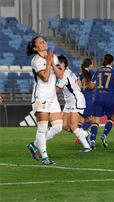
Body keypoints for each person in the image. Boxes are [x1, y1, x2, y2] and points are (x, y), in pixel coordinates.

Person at [25, 36, 64, 165]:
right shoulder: (36, 60)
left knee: (58, 127)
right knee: (42, 128)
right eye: (40, 42)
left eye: (44, 41)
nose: (44, 43)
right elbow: (45, 77)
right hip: (40, 96)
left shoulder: (53, 56)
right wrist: (48, 62)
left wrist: (52, 61)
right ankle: (45, 157)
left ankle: (34, 145)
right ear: (36, 48)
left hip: (52, 97)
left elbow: (60, 75)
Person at [55, 55, 91, 152]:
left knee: (73, 125)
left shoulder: (63, 75)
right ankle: (84, 134)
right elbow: (78, 84)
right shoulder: (69, 72)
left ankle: (87, 146)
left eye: (56, 65)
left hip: (75, 100)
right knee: (64, 125)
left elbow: (56, 90)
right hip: (69, 101)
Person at [88, 54, 114, 149]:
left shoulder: (97, 71)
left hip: (98, 97)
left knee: (96, 121)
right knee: (111, 119)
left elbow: (91, 86)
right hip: (109, 98)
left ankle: (93, 139)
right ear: (112, 62)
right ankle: (104, 135)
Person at [78, 58, 95, 132]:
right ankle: (80, 133)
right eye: (92, 63)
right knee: (91, 119)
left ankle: (82, 136)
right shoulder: (91, 73)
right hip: (87, 97)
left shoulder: (79, 74)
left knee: (82, 119)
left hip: (80, 97)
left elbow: (77, 86)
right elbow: (91, 86)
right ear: (90, 65)